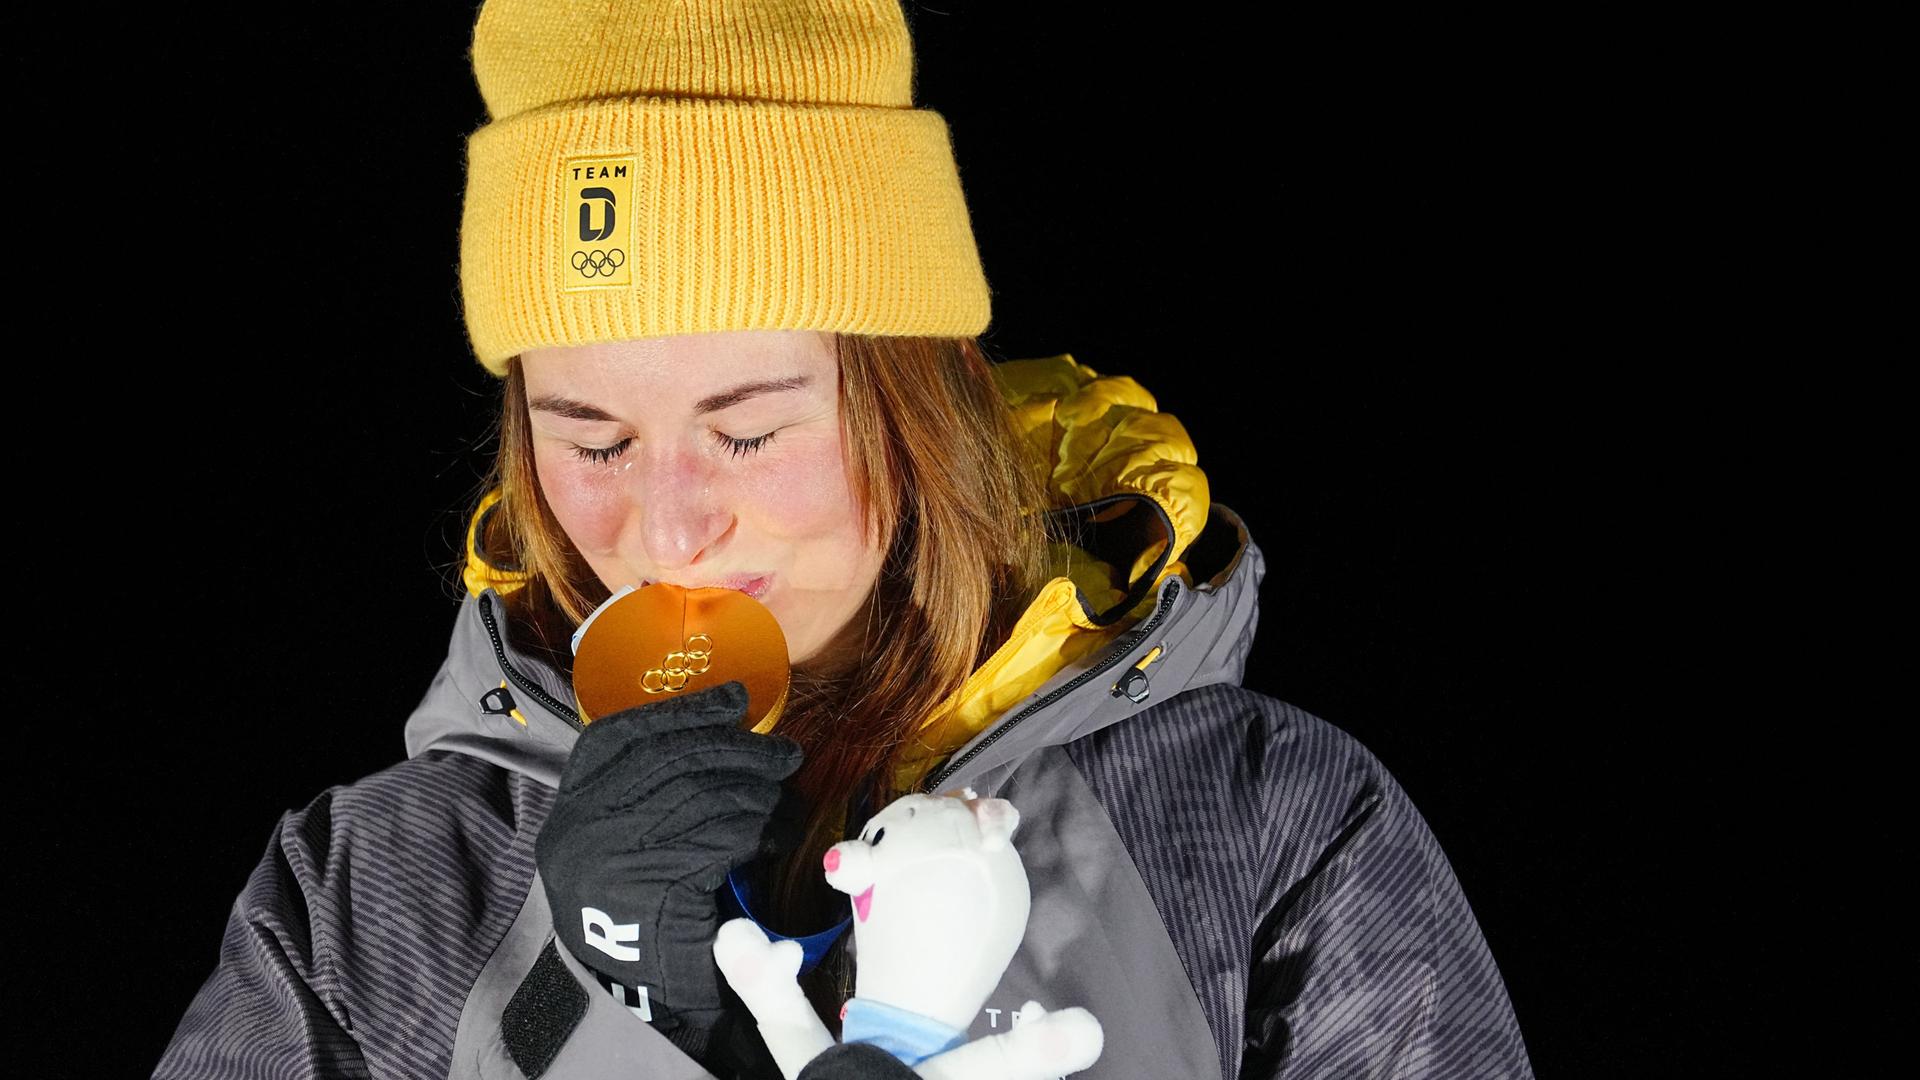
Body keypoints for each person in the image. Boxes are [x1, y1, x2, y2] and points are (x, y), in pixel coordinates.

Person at [155, 2, 1534, 1078]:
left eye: (750, 431)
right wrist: (618, 1018)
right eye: (593, 441)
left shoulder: (1265, 831)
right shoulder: (371, 894)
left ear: (924, 400)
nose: (670, 527)